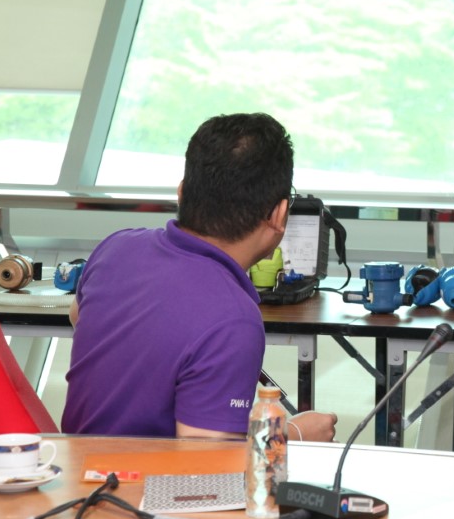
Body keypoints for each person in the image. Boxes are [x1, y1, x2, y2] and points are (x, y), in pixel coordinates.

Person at [62, 112, 337, 441]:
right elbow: (206, 457)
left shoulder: (115, 248)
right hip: (142, 476)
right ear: (279, 214)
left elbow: (79, 318)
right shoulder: (234, 318)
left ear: (181, 193)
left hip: (74, 465)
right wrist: (292, 434)